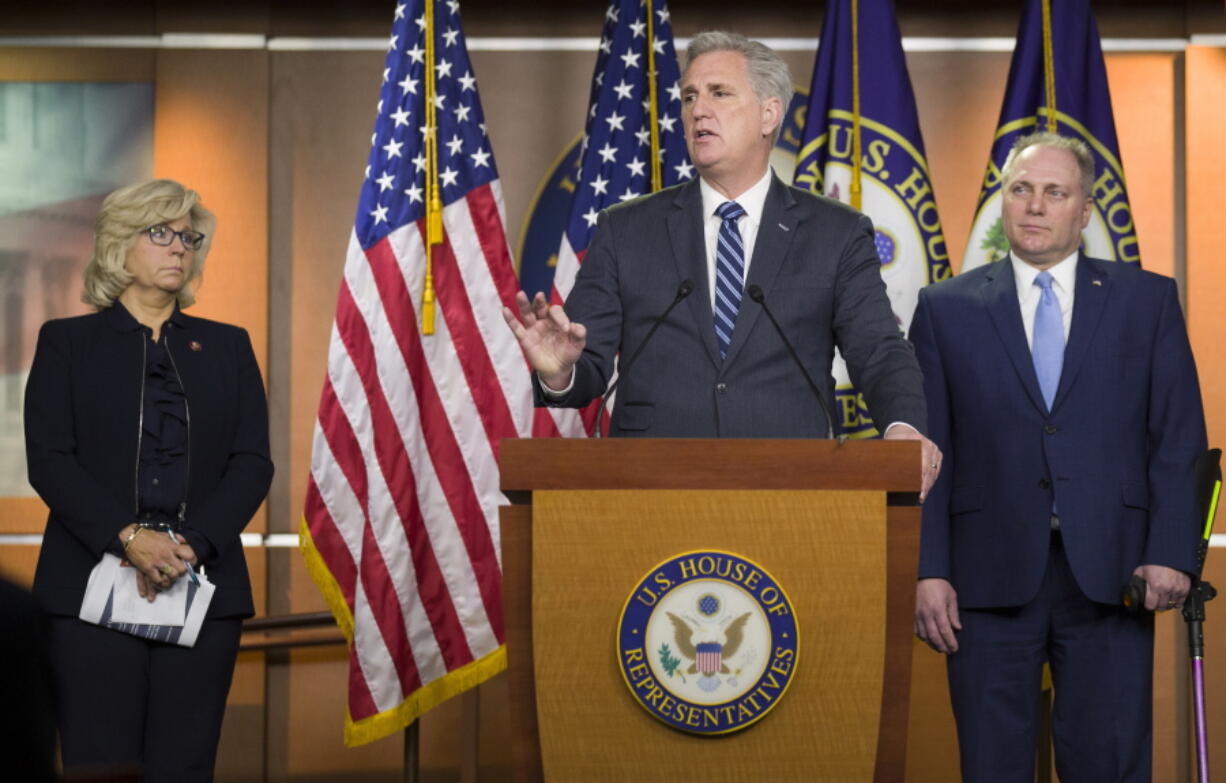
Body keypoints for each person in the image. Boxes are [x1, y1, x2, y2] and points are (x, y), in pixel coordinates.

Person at [503, 31, 939, 491]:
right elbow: (588, 366)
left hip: (791, 483)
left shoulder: (836, 233)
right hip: (649, 486)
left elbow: (878, 349)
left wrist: (903, 426)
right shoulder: (627, 229)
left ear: (769, 114)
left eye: (720, 93)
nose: (698, 110)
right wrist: (561, 372)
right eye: (689, 96)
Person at [911, 132, 1207, 781]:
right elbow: (933, 454)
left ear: (1085, 208)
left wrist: (1172, 550)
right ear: (1003, 201)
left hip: (1114, 572)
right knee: (991, 765)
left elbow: (1176, 436)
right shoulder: (945, 308)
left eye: (1054, 192)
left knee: (1108, 762)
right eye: (1021, 190)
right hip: (983, 580)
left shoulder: (1145, 300)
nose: (1035, 206)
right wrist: (926, 568)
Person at [24, 179, 273, 781]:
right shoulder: (67, 343)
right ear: (118, 246)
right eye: (160, 232)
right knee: (100, 764)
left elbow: (252, 462)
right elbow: (51, 459)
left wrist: (193, 544)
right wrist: (129, 538)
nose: (179, 248)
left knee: (184, 767)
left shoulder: (227, 347)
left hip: (201, 584)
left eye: (188, 236)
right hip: (88, 587)